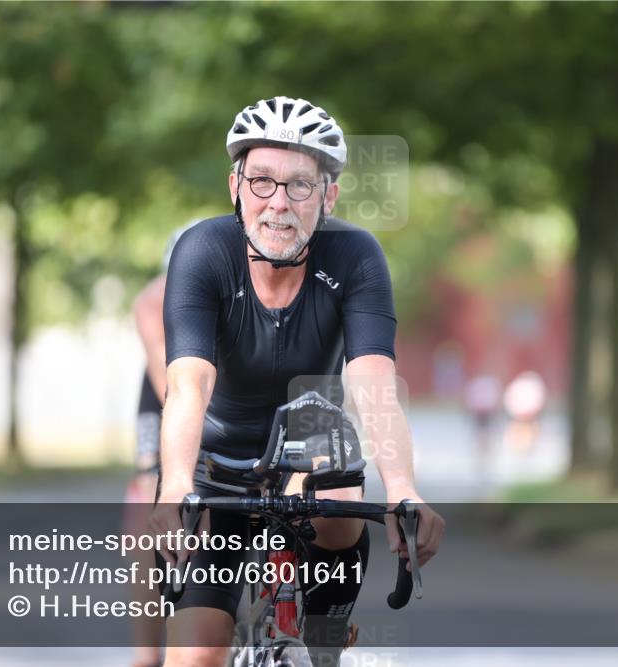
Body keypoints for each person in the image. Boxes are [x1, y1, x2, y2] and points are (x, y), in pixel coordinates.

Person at [147, 96, 445, 667]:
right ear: (234, 186)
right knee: (193, 658)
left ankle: (324, 640)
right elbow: (187, 383)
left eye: (300, 186)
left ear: (327, 197)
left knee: (335, 499)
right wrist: (174, 486)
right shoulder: (203, 252)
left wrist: (404, 487)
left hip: (309, 448)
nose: (278, 203)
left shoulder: (357, 257)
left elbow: (374, 384)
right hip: (216, 467)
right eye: (261, 182)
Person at [125, 221, 200, 667]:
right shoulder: (153, 301)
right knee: (144, 518)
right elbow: (170, 386)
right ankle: (146, 654)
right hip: (166, 399)